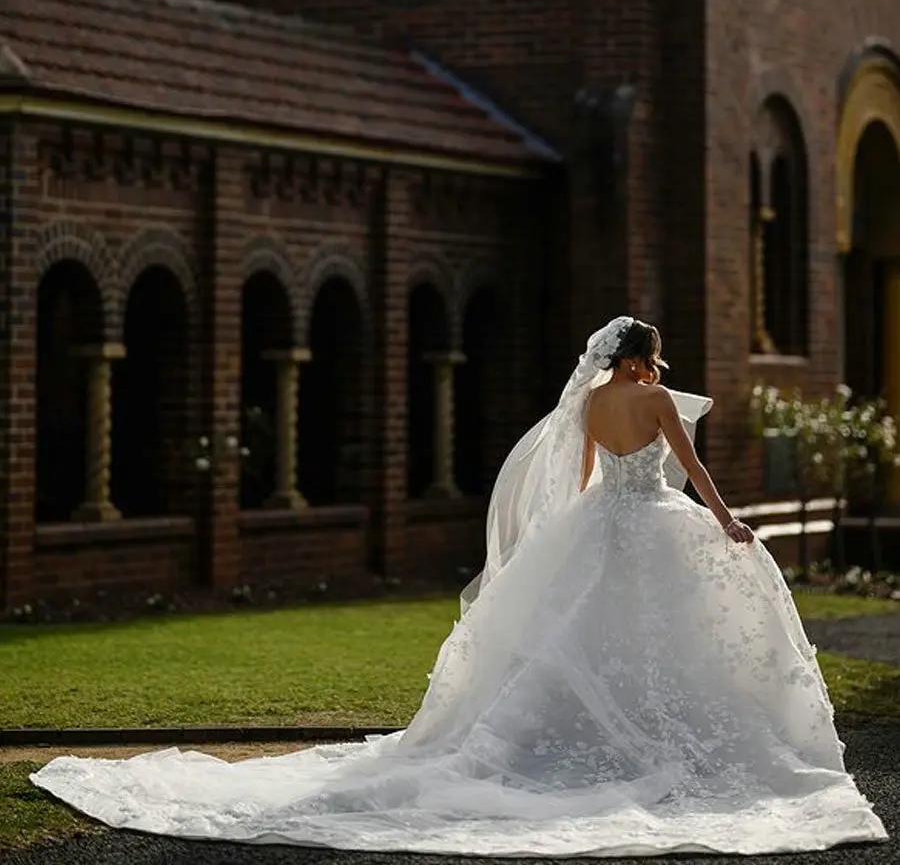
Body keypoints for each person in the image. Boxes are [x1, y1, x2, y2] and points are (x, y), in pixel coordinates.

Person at [32, 317, 888, 857]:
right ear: (643, 364)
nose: (660, 371)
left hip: (603, 527)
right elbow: (694, 468)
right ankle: (652, 735)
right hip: (655, 517)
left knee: (581, 634)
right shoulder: (657, 404)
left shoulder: (587, 406)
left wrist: (574, 536)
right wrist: (731, 521)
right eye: (656, 361)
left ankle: (588, 727)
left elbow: (583, 479)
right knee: (668, 633)